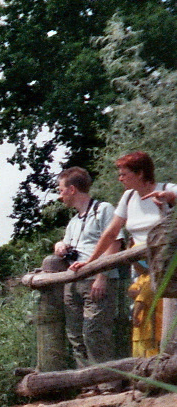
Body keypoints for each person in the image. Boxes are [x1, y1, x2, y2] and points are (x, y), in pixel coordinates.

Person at [71, 151, 177, 356]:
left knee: (162, 317)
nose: (120, 178)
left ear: (140, 173)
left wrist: (170, 199)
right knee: (141, 317)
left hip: (167, 269)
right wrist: (91, 262)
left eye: (124, 174)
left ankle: (165, 367)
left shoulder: (166, 188)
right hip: (140, 271)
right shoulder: (128, 197)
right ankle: (145, 368)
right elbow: (111, 232)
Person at [43, 167, 116, 366]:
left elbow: (115, 243)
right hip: (73, 281)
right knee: (75, 334)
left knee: (95, 331)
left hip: (96, 280)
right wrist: (60, 246)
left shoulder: (104, 209)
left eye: (60, 190)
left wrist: (102, 276)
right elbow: (67, 245)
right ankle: (86, 382)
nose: (60, 195)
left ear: (72, 189)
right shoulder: (74, 221)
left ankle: (107, 381)